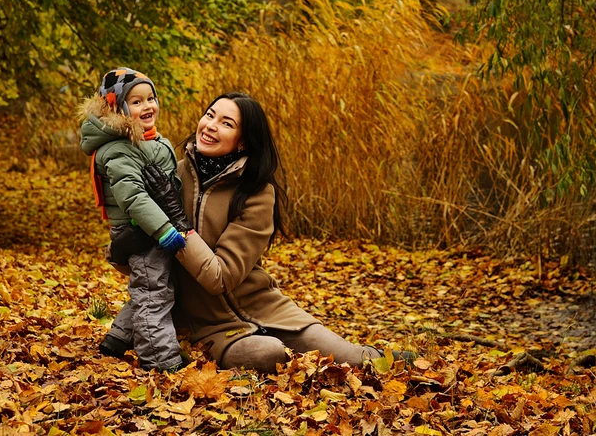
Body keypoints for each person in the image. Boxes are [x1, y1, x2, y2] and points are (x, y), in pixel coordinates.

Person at [146, 91, 387, 372]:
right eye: (210, 115)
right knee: (268, 353)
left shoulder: (257, 192)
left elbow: (220, 278)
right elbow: (135, 260)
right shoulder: (172, 177)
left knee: (356, 359)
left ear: (243, 142)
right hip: (207, 326)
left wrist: (178, 224)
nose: (211, 125)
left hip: (266, 308)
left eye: (227, 123)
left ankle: (395, 357)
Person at [79, 67, 191, 372]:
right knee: (154, 293)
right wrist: (164, 230)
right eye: (137, 101)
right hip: (141, 231)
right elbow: (133, 197)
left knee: (152, 285)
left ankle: (118, 337)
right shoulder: (119, 148)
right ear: (118, 108)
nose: (148, 106)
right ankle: (160, 358)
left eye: (150, 98)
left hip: (149, 227)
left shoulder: (149, 140)